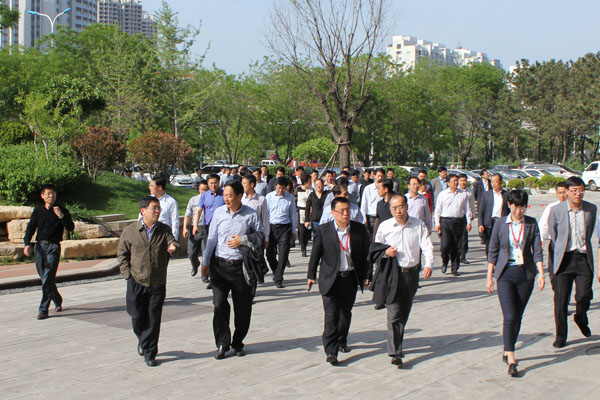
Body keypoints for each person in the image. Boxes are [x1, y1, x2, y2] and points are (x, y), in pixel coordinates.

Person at [201, 180, 265, 359]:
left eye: (230, 196)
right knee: (219, 304)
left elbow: (261, 236)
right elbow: (212, 239)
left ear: (239, 196)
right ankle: (222, 342)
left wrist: (243, 240)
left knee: (243, 309)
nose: (226, 199)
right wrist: (205, 263)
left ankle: (237, 342)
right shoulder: (219, 213)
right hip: (220, 267)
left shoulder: (250, 214)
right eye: (225, 195)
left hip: (242, 269)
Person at [370, 194, 434, 367]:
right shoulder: (385, 226)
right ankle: (395, 351)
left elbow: (426, 245)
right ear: (390, 210)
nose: (398, 211)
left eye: (401, 207)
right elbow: (376, 249)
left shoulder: (417, 224)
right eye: (394, 208)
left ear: (407, 207)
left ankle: (397, 337)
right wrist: (386, 253)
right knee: (394, 311)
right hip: (393, 273)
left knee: (405, 310)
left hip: (412, 273)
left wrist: (428, 264)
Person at [486, 189, 544, 377]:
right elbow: (493, 250)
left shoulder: (531, 224)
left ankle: (507, 347)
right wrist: (490, 277)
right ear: (509, 205)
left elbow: (537, 250)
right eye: (516, 206)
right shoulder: (501, 224)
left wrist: (541, 273)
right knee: (509, 316)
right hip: (506, 274)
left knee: (518, 316)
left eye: (523, 207)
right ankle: (511, 358)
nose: (520, 211)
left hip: (525, 275)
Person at [308, 197, 372, 366]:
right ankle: (331, 350)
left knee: (345, 314)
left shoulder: (359, 229)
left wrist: (367, 275)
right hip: (330, 278)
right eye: (341, 211)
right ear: (333, 213)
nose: (345, 214)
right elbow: (316, 254)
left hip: (350, 278)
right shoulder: (324, 230)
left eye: (347, 210)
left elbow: (367, 255)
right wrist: (311, 274)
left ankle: (342, 340)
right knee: (331, 316)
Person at [118, 196, 178, 367]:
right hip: (136, 281)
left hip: (157, 283)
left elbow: (173, 243)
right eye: (154, 208)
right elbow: (122, 253)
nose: (158, 211)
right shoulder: (130, 231)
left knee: (153, 319)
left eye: (159, 208)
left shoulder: (164, 229)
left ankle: (150, 353)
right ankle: (143, 339)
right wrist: (127, 275)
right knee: (136, 316)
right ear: (143, 210)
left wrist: (174, 247)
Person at [548, 176, 597, 348]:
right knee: (561, 299)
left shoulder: (591, 209)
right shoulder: (556, 210)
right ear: (567, 192)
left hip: (583, 258)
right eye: (574, 190)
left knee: (584, 295)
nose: (578, 193)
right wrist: (562, 249)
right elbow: (553, 235)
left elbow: (590, 232)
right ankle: (561, 335)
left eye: (581, 190)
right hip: (564, 259)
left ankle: (580, 317)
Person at [23, 184, 75, 320]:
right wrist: (27, 244)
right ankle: (57, 299)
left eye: (53, 194)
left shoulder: (61, 210)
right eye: (48, 194)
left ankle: (43, 309)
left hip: (53, 247)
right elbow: (31, 228)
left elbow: (71, 227)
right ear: (43, 196)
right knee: (45, 277)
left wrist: (62, 217)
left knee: (48, 277)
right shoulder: (38, 211)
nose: (51, 196)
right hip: (39, 247)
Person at [434, 173, 472, 276]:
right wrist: (437, 223)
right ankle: (445, 261)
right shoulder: (442, 194)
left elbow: (467, 209)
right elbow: (437, 210)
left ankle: (454, 268)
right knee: (445, 245)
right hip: (445, 222)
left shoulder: (463, 194)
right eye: (454, 181)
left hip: (459, 221)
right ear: (448, 183)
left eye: (457, 181)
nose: (456, 183)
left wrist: (469, 222)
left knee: (457, 246)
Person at [193, 174, 225, 286]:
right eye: (211, 183)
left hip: (223, 228)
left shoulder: (224, 194)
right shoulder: (205, 196)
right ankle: (212, 278)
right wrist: (195, 225)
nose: (213, 185)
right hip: (209, 228)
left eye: (215, 182)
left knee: (221, 253)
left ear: (219, 182)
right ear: (208, 184)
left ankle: (221, 276)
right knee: (209, 252)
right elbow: (198, 211)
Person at [265, 176, 297, 288]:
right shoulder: (269, 197)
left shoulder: (290, 198)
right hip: (271, 228)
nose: (280, 191)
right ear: (275, 187)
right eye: (279, 188)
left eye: (283, 188)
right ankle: (276, 271)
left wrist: (293, 230)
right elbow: (265, 215)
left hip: (285, 228)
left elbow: (293, 214)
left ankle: (278, 278)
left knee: (283, 254)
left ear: (286, 188)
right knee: (269, 254)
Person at [478, 173, 509, 256]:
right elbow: (481, 211)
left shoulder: (506, 195)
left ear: (500, 182)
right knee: (489, 243)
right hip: (489, 222)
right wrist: (480, 224)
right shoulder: (486, 194)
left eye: (496, 182)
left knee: (501, 242)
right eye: (492, 182)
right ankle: (490, 260)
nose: (493, 184)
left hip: (501, 222)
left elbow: (508, 210)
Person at [183, 180, 209, 278]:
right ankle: (195, 264)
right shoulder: (193, 200)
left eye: (206, 190)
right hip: (195, 228)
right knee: (191, 252)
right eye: (202, 189)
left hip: (206, 228)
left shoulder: (211, 200)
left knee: (205, 253)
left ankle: (205, 274)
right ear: (198, 189)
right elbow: (188, 214)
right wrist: (185, 227)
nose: (204, 192)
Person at [241, 175, 270, 249]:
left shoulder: (261, 199)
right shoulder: (240, 198)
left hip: (256, 234)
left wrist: (266, 238)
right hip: (242, 234)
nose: (242, 185)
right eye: (242, 183)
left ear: (252, 184)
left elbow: (265, 219)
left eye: (244, 183)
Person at [147, 176, 179, 241]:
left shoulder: (171, 202)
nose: (149, 188)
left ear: (160, 188)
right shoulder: (148, 200)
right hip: (149, 235)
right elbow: (141, 217)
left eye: (151, 186)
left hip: (164, 236)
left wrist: (173, 240)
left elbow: (175, 222)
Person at [538, 182, 568, 246]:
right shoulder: (551, 207)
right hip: (555, 241)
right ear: (556, 193)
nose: (562, 195)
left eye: (564, 192)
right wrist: (541, 238)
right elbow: (544, 223)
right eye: (559, 193)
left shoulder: (571, 206)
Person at [360, 168, 385, 237]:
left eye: (382, 176)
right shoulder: (368, 188)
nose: (380, 178)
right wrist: (364, 219)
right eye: (378, 176)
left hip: (382, 216)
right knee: (372, 237)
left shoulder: (386, 189)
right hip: (371, 217)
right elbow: (364, 204)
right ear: (374, 176)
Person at [458, 174, 476, 265]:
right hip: (457, 217)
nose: (463, 182)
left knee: (464, 237)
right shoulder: (455, 191)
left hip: (466, 217)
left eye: (464, 180)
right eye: (461, 180)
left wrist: (473, 213)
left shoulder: (469, 192)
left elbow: (472, 204)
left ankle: (463, 256)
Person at [295, 174, 313, 257]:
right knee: (302, 231)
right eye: (309, 181)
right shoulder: (298, 190)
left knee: (307, 231)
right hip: (300, 212)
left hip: (309, 211)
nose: (310, 182)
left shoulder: (312, 190)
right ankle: (303, 248)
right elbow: (294, 200)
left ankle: (305, 243)